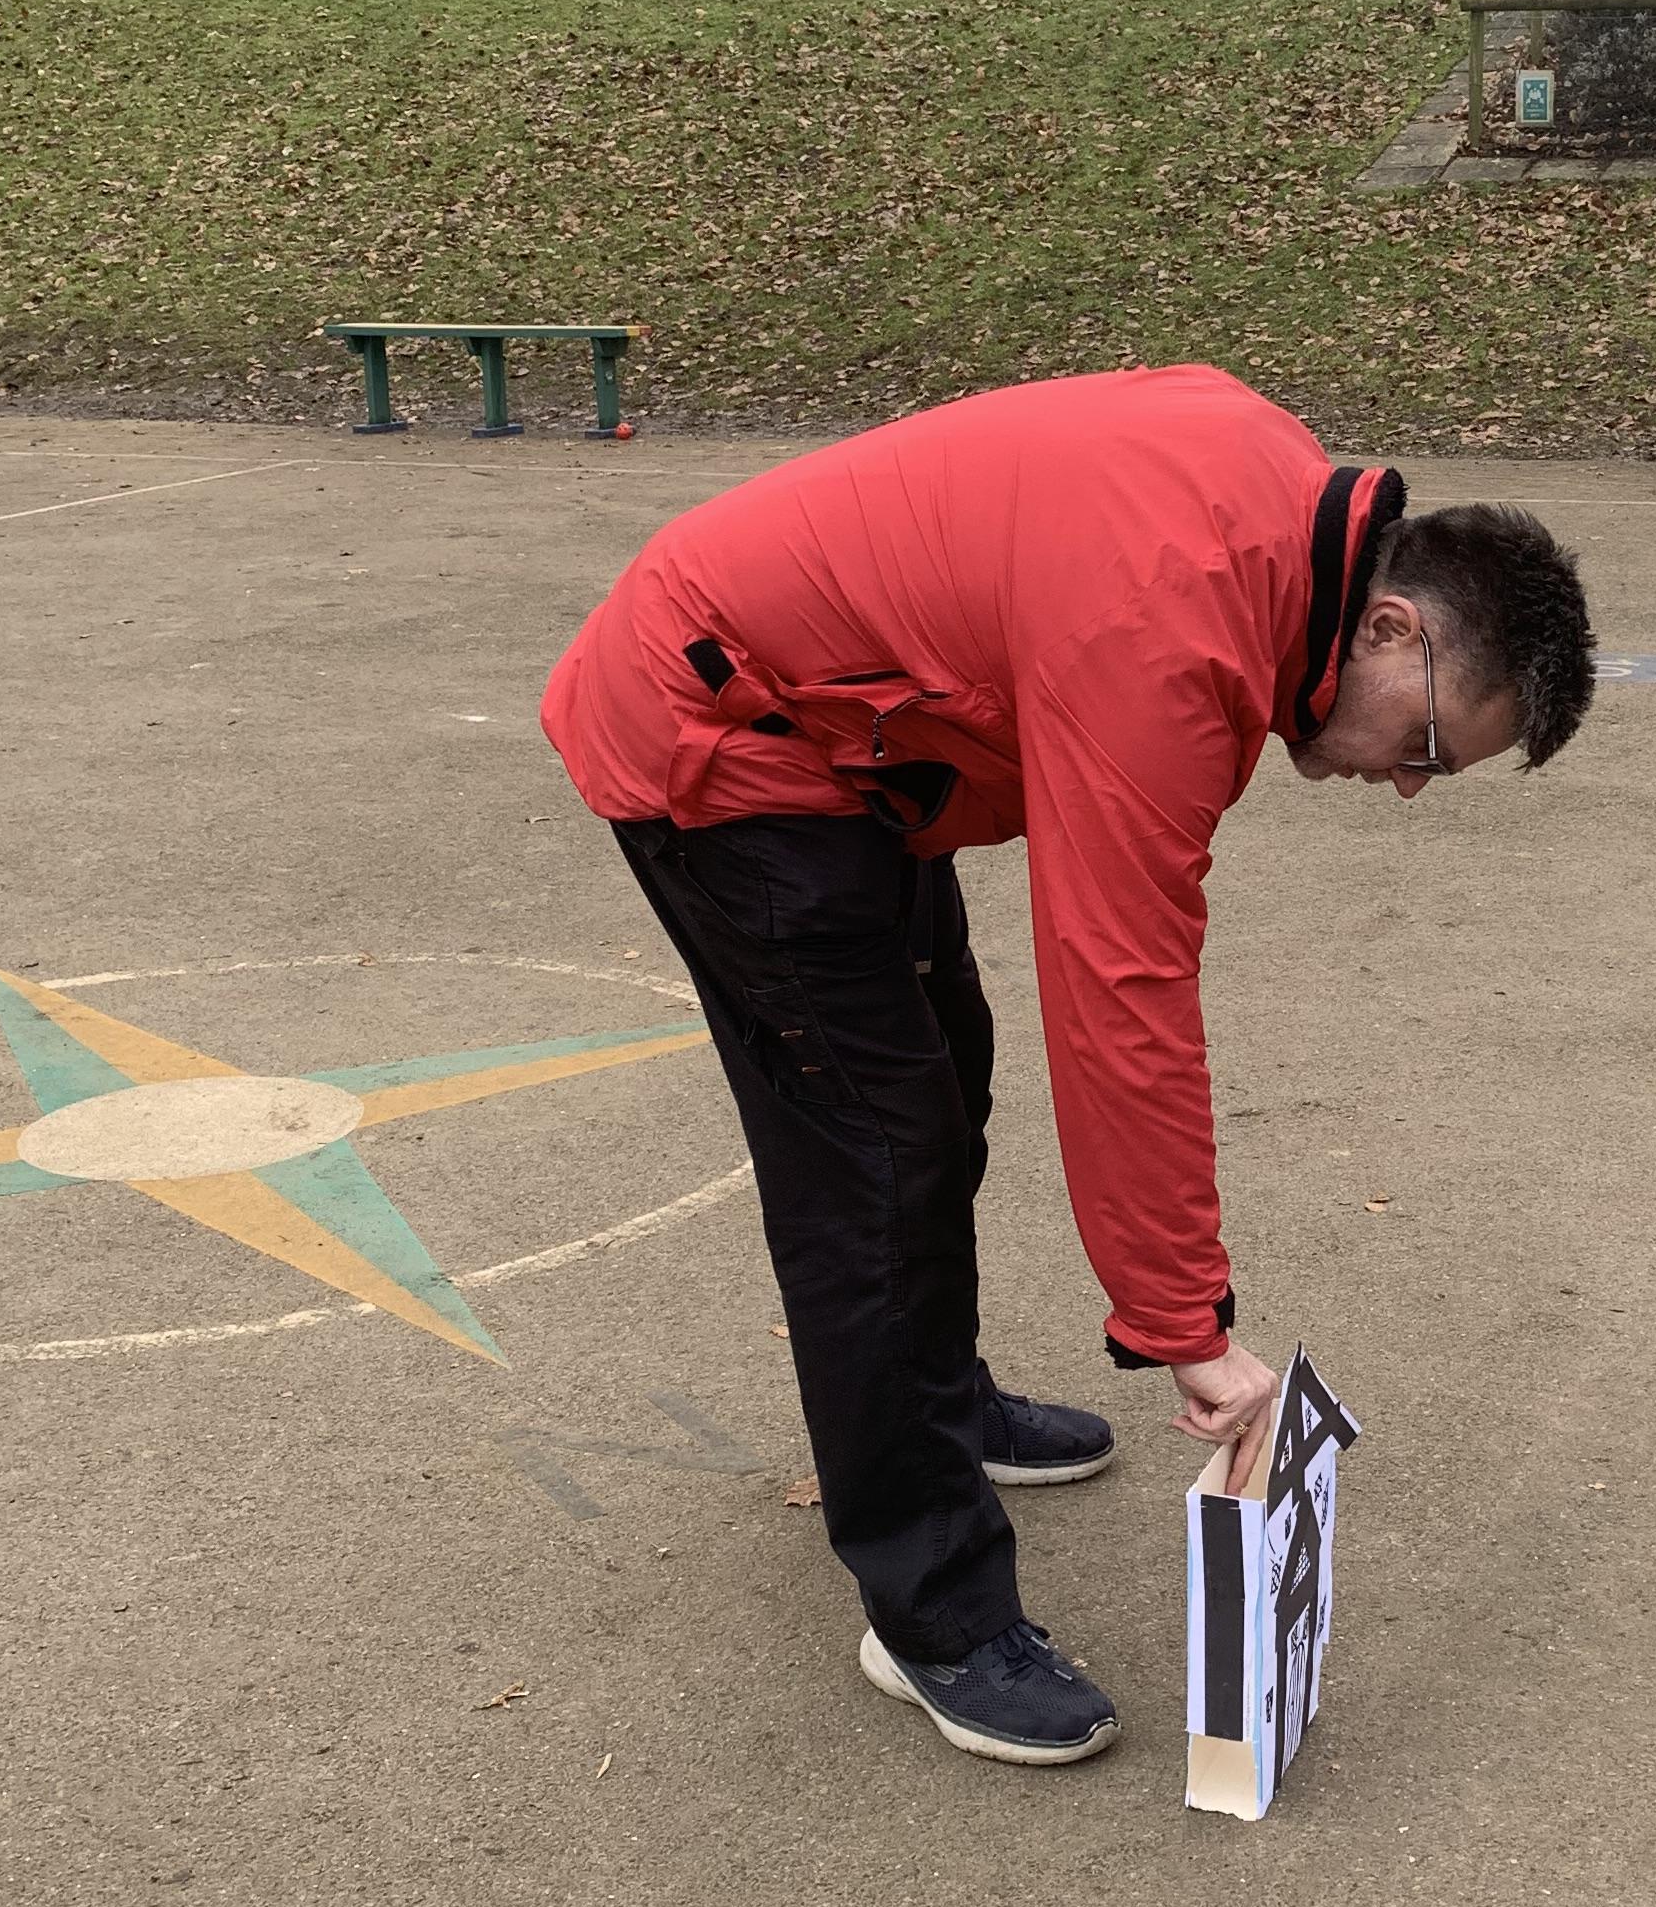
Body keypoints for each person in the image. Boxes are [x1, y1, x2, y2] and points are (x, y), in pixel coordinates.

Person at [541, 364, 1595, 1770]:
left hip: (849, 737)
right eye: (1426, 747)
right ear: (1393, 620)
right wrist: (1186, 1325)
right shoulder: (1170, 637)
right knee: (877, 1159)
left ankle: (937, 1402)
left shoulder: (1268, 519)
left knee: (946, 1073)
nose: (1405, 786)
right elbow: (1121, 999)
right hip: (723, 740)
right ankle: (931, 1614)